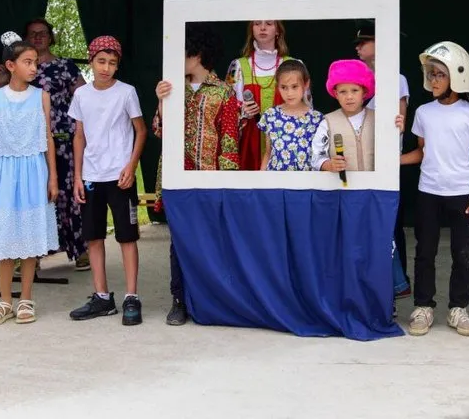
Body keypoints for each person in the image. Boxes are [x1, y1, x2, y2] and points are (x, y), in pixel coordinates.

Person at [155, 23, 241, 326]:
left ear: (197, 54)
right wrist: (161, 101)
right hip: (177, 176)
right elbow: (159, 130)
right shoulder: (171, 87)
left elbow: (230, 141)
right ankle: (179, 299)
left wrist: (225, 184)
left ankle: (209, 299)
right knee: (178, 240)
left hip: (209, 178)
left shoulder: (224, 92)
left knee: (210, 240)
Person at [401, 41, 469, 337]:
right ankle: (423, 307)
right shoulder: (424, 112)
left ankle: (458, 308)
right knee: (424, 252)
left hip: (462, 193)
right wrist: (394, 161)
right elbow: (421, 152)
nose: (433, 80)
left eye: (440, 74)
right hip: (429, 192)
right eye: (431, 74)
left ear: (458, 76)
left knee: (461, 253)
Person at [0, 31, 59, 326]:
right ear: (11, 65)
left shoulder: (42, 97)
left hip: (32, 170)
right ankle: (4, 301)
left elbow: (48, 138)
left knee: (28, 236)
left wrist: (52, 178)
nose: (34, 67)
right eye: (27, 61)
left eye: (35, 62)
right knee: (3, 235)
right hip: (2, 172)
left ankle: (26, 297)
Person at [68, 36, 147, 326]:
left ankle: (131, 297)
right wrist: (77, 176)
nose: (106, 68)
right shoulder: (81, 96)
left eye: (112, 63)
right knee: (94, 236)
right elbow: (79, 135)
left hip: (120, 176)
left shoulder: (127, 92)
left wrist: (132, 164)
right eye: (101, 61)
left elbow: (140, 130)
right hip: (91, 176)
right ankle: (102, 297)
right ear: (91, 61)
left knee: (127, 236)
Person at [26, 18, 89, 271]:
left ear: (50, 37)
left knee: (70, 195)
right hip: (30, 142)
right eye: (33, 34)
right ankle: (32, 255)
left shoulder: (65, 65)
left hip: (63, 139)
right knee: (35, 197)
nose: (38, 37)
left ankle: (81, 250)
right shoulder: (22, 69)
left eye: (43, 33)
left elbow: (84, 96)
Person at [354, 21, 412, 291]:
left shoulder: (395, 78)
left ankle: (398, 284)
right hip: (362, 160)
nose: (358, 46)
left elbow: (399, 123)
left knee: (391, 222)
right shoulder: (357, 79)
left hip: (386, 161)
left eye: (364, 41)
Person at [227, 20, 303, 170]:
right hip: (249, 144)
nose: (262, 28)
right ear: (251, 30)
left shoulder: (295, 65)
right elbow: (226, 113)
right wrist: (243, 113)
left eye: (268, 23)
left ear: (278, 30)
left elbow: (307, 109)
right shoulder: (237, 67)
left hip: (286, 144)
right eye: (257, 24)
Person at [258, 60, 324, 171]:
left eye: (294, 87)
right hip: (276, 182)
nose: (289, 93)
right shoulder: (270, 115)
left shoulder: (317, 119)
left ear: (306, 84)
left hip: (307, 183)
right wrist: (262, 182)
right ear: (277, 86)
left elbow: (320, 156)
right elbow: (268, 153)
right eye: (284, 87)